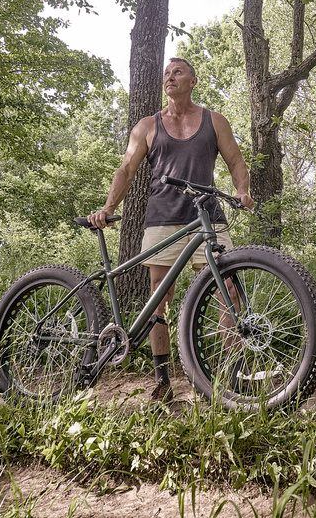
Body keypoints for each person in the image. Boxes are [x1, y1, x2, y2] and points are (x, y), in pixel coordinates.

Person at [88, 57, 254, 402]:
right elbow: (126, 169)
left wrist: (241, 191)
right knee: (158, 300)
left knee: (229, 291)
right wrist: (108, 208)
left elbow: (236, 161)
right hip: (162, 219)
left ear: (193, 81)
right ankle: (163, 379)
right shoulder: (147, 126)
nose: (170, 77)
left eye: (177, 72)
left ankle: (233, 376)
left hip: (208, 216)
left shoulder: (214, 121)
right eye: (166, 73)